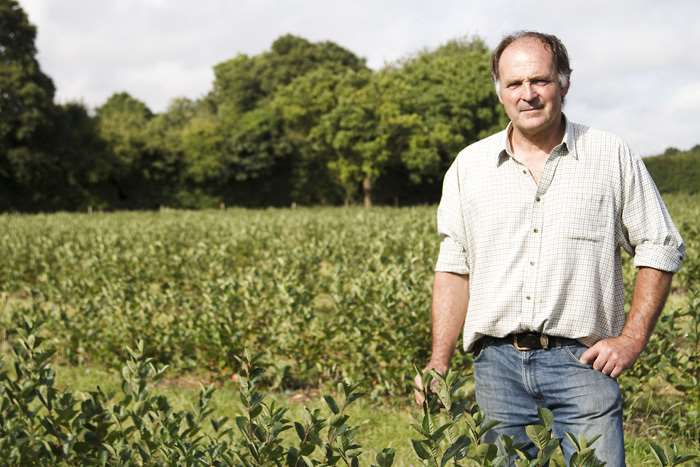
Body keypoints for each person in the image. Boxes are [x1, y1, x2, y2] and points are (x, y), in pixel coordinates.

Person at [414, 31, 685, 466]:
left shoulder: (609, 155)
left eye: (539, 80)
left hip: (584, 364)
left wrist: (632, 339)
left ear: (564, 83)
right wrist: (438, 362)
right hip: (496, 366)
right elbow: (454, 267)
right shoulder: (470, 166)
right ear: (499, 90)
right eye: (514, 83)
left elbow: (661, 244)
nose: (528, 95)